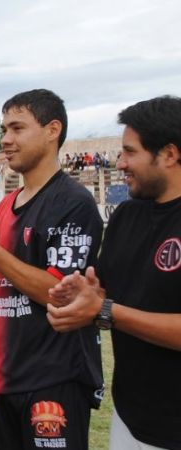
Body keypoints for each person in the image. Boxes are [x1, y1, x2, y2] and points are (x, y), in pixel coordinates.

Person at [0, 89, 104, 450]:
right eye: (4, 129)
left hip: (54, 378)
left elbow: (58, 292)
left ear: (52, 130)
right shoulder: (5, 205)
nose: (5, 139)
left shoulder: (73, 203)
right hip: (2, 379)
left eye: (17, 128)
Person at [47, 96, 181, 450]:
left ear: (169, 154)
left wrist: (105, 311)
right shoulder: (126, 216)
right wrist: (85, 298)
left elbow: (112, 312)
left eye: (130, 152)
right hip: (130, 417)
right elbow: (109, 303)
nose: (120, 162)